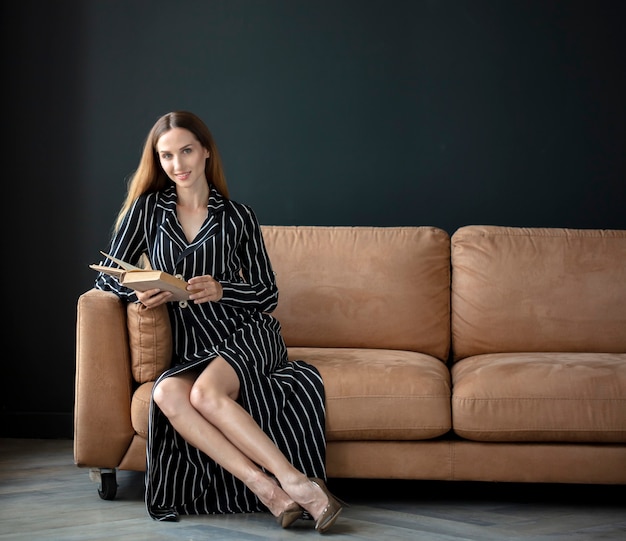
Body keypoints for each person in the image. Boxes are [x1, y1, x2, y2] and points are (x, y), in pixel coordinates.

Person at [94, 110, 344, 533]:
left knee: (206, 395)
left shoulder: (238, 216)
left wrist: (223, 289)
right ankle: (266, 491)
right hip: (193, 345)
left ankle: (297, 483)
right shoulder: (147, 211)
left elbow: (267, 293)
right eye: (167, 156)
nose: (179, 165)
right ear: (158, 161)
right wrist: (137, 289)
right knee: (168, 396)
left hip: (247, 334)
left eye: (187, 151)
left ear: (206, 151)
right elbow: (105, 274)